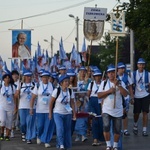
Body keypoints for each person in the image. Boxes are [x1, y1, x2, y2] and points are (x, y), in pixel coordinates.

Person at [98, 64, 128, 150]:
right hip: (107, 109)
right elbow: (99, 95)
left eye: (113, 72)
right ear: (107, 74)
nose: (111, 74)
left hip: (118, 110)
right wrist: (109, 91)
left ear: (116, 73)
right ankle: (108, 145)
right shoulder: (104, 83)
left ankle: (115, 145)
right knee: (106, 126)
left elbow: (125, 94)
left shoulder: (121, 82)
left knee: (117, 129)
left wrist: (118, 85)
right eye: (109, 73)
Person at [49, 74, 76, 150]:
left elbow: (72, 103)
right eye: (65, 81)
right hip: (58, 113)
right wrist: (50, 113)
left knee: (67, 130)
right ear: (61, 83)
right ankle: (60, 144)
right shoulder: (56, 91)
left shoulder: (70, 91)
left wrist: (74, 114)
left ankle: (67, 145)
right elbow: (51, 103)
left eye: (68, 81)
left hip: (68, 113)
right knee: (60, 128)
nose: (67, 83)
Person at [30, 70, 55, 148]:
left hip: (49, 110)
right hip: (40, 110)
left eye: (47, 77)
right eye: (44, 77)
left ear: (49, 78)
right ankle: (39, 135)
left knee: (48, 126)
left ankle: (46, 141)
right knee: (40, 125)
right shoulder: (38, 86)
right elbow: (33, 98)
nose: (45, 79)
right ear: (41, 78)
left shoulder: (52, 86)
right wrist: (31, 108)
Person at [15, 70, 36, 144]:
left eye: (30, 76)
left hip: (31, 107)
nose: (28, 78)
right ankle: (23, 132)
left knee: (29, 123)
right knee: (23, 123)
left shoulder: (34, 84)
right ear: (24, 77)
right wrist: (17, 93)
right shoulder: (20, 84)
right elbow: (16, 96)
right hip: (22, 106)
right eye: (27, 76)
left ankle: (28, 137)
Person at [131, 58, 150, 136]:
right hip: (137, 95)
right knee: (137, 113)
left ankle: (144, 129)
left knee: (145, 112)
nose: (141, 66)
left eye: (142, 65)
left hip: (145, 94)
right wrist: (132, 97)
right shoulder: (133, 74)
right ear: (137, 65)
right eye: (140, 64)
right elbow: (131, 85)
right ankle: (135, 124)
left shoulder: (148, 74)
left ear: (144, 65)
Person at [87, 69, 105, 146]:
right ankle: (95, 139)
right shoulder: (91, 84)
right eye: (96, 76)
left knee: (102, 121)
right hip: (93, 102)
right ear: (94, 77)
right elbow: (88, 95)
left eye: (99, 76)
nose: (97, 78)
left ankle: (101, 138)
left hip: (101, 102)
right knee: (95, 120)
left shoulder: (104, 84)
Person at [117, 62, 134, 136]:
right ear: (118, 69)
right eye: (121, 68)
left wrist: (132, 97)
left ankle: (125, 129)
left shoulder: (127, 77)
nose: (123, 70)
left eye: (123, 68)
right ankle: (119, 129)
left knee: (124, 113)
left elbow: (130, 87)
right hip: (117, 97)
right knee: (117, 114)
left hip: (125, 97)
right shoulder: (115, 76)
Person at [0, 73, 16, 141]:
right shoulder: (1, 86)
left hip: (10, 106)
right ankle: (1, 133)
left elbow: (15, 97)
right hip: (2, 106)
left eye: (8, 78)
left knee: (9, 122)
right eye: (6, 78)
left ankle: (7, 135)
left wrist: (16, 106)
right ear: (3, 79)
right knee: (2, 120)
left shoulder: (12, 87)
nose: (7, 79)